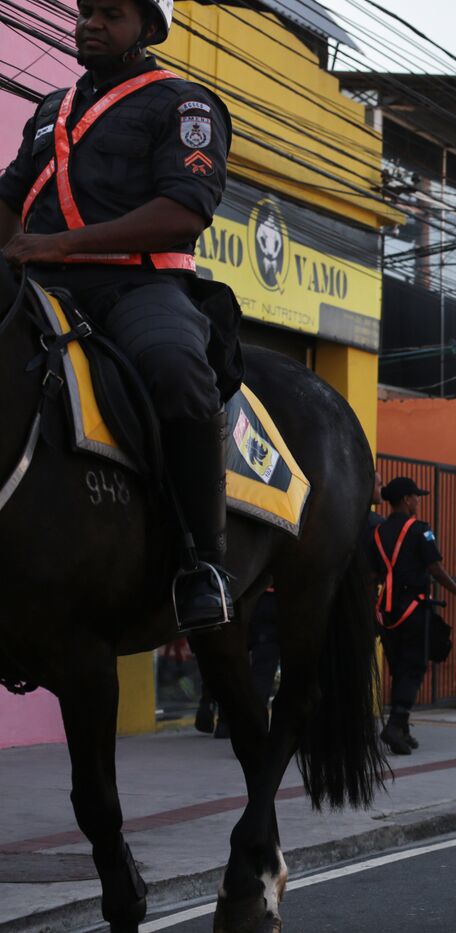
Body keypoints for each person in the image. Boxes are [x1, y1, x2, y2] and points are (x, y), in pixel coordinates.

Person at [0, 0, 234, 631]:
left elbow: (184, 211)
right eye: (84, 12)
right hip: (46, 285)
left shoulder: (184, 106)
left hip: (140, 286)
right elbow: (8, 199)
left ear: (148, 29)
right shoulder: (51, 112)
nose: (88, 24)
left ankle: (202, 567)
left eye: (111, 14)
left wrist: (57, 244)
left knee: (179, 374)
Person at [370, 476, 456, 755]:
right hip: (413, 607)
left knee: (398, 667)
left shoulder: (376, 532)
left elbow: (373, 572)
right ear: (405, 500)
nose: (418, 500)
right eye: (416, 496)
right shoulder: (419, 530)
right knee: (413, 668)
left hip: (386, 612)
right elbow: (436, 569)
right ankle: (394, 725)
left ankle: (401, 728)